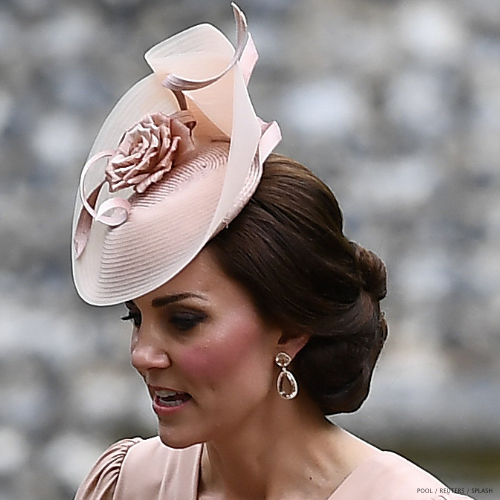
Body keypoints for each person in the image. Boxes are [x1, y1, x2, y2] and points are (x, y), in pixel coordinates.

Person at [71, 5, 474, 500]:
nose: (142, 355)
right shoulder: (128, 485)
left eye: (183, 320)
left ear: (290, 329)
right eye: (135, 318)